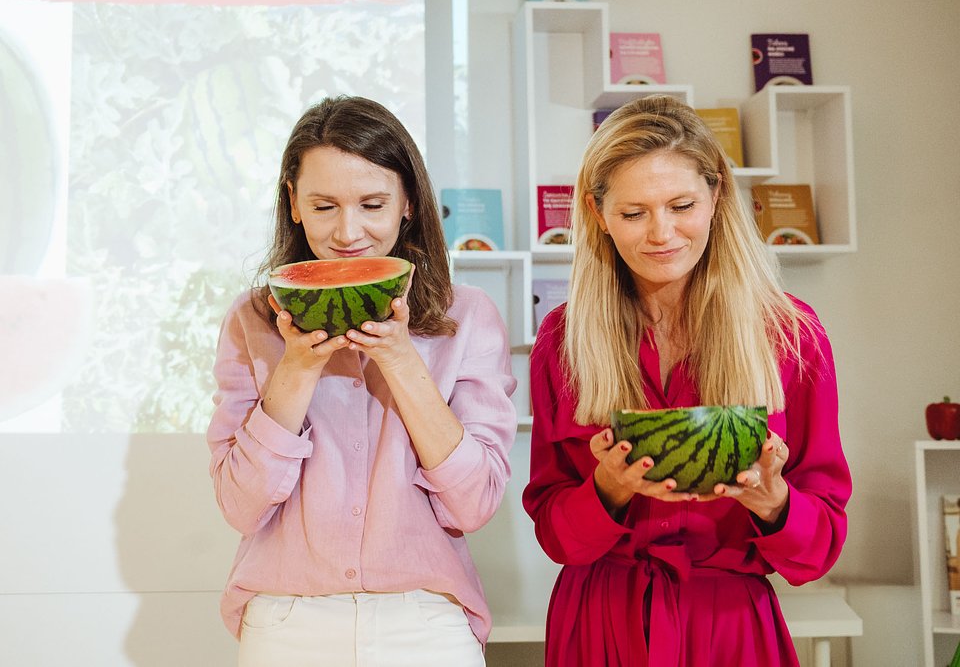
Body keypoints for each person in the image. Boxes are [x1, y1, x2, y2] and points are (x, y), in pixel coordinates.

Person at [522, 95, 851, 667]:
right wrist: (610, 488)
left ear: (716, 195)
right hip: (600, 624)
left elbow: (819, 548)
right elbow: (557, 537)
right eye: (634, 213)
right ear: (598, 213)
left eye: (681, 205)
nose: (661, 233)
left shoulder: (791, 336)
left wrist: (773, 502)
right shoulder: (563, 340)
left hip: (730, 628)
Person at [206, 95, 517, 667]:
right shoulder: (252, 321)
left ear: (408, 204)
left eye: (372, 204)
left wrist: (401, 361)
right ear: (293, 204)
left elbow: (473, 505)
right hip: (285, 621)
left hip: (426, 623)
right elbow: (239, 507)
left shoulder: (467, 318)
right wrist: (297, 369)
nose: (349, 233)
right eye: (325, 206)